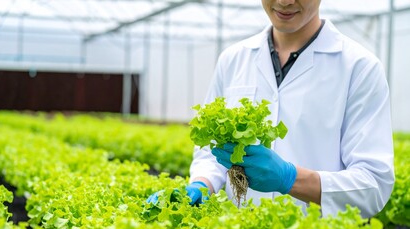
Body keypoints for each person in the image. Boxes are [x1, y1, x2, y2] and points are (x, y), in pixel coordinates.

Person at [149, 0, 395, 218]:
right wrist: (203, 183)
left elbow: (373, 185)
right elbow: (210, 150)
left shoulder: (359, 68)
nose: (285, 1)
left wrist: (291, 178)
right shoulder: (233, 59)